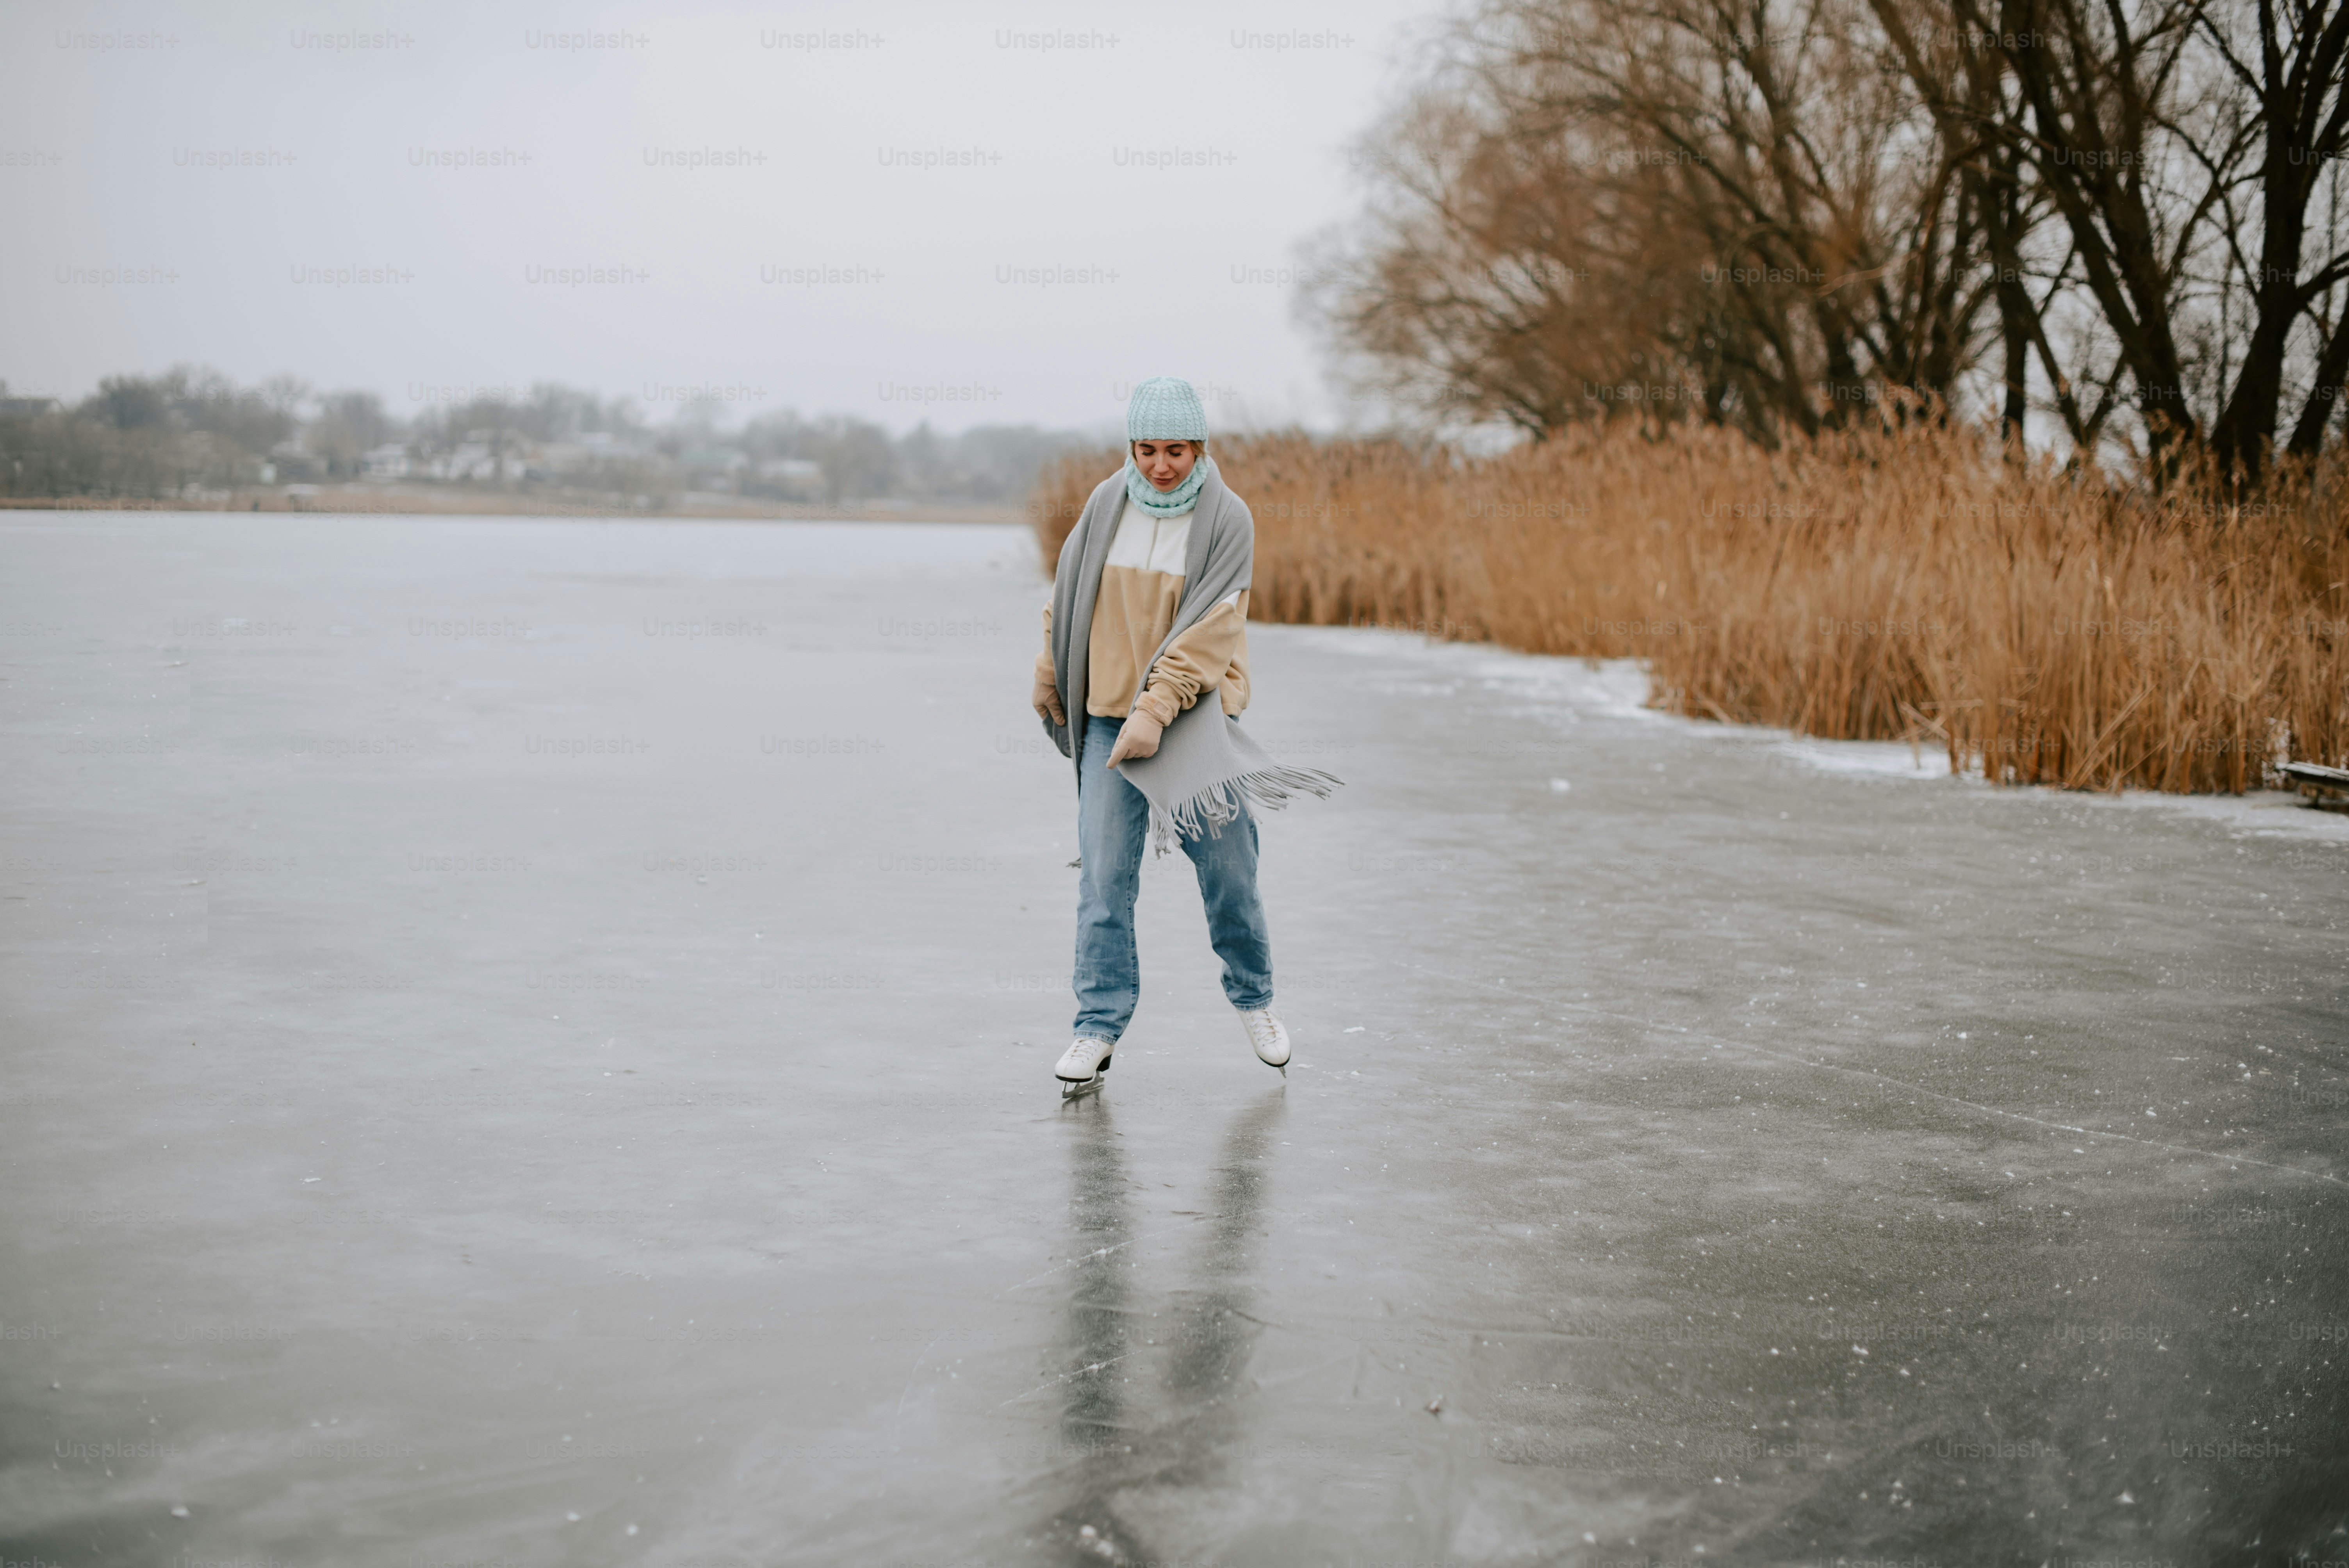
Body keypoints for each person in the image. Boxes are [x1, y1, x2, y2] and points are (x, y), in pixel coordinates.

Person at [1031, 376, 1289, 1094]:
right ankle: (1097, 1027)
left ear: (1200, 447)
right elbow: (1069, 592)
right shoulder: (1106, 502)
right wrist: (1050, 669)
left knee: (1231, 870)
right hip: (1108, 719)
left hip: (1193, 717)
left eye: (1176, 450)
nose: (1160, 466)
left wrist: (1157, 710)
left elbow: (1212, 633)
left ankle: (1255, 998)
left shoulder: (1226, 518)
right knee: (1105, 882)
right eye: (1146, 450)